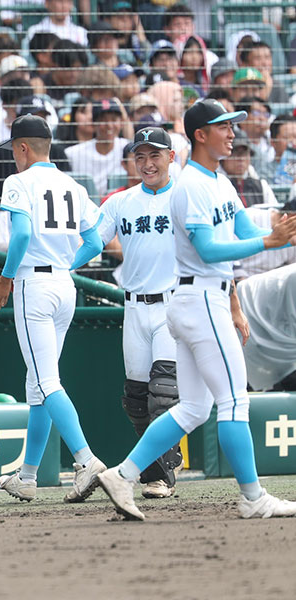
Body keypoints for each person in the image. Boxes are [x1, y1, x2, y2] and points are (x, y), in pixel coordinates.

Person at [98, 98, 296, 521]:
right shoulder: (190, 186)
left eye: (232, 125)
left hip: (196, 300)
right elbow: (207, 250)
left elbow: (245, 229)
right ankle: (253, 497)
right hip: (201, 298)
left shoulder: (219, 181)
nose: (233, 133)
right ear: (201, 135)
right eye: (224, 126)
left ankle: (122, 475)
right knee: (234, 402)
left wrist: (284, 231)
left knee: (192, 408)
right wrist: (268, 242)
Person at [0, 114, 107, 504]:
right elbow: (95, 242)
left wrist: (6, 277)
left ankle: (86, 460)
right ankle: (27, 476)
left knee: (46, 382)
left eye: (14, 149)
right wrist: (65, 265)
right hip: (64, 286)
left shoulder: (18, 181)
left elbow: (20, 233)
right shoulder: (73, 184)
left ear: (23, 147)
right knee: (37, 385)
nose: (13, 156)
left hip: (33, 285)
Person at [95, 127, 183, 499]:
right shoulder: (120, 202)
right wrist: (60, 263)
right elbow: (93, 241)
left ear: (171, 157)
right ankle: (157, 470)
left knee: (163, 394)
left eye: (155, 155)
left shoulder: (185, 196)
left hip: (173, 304)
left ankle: (162, 474)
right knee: (136, 399)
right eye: (140, 156)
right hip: (134, 305)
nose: (147, 164)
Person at [66, 98, 129, 196]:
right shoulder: (73, 153)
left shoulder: (127, 149)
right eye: (103, 120)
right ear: (94, 124)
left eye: (114, 120)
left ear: (121, 123)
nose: (109, 125)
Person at [220, 131, 277, 208]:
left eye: (244, 154)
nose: (240, 159)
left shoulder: (262, 186)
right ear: (223, 157)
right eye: (235, 153)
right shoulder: (217, 185)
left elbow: (274, 212)